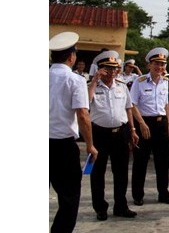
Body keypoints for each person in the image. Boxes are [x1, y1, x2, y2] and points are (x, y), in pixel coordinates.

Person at [49, 32, 97, 233]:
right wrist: (90, 144)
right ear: (71, 57)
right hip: (62, 146)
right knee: (69, 197)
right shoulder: (75, 80)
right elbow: (83, 115)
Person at [87, 50, 139, 221]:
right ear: (99, 69)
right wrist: (94, 81)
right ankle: (100, 207)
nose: (111, 72)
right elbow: (85, 104)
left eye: (114, 68)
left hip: (120, 133)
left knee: (121, 171)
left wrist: (132, 130)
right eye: (107, 68)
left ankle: (121, 205)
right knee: (98, 172)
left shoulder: (122, 85)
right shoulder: (91, 85)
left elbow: (128, 108)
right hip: (99, 133)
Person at [130, 47, 169, 206]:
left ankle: (163, 193)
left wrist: (168, 123)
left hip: (161, 123)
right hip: (145, 124)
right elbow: (132, 104)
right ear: (149, 65)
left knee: (162, 162)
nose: (160, 67)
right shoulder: (139, 81)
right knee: (141, 161)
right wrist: (141, 124)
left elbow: (166, 104)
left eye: (162, 64)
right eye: (156, 64)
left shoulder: (165, 81)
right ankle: (137, 195)